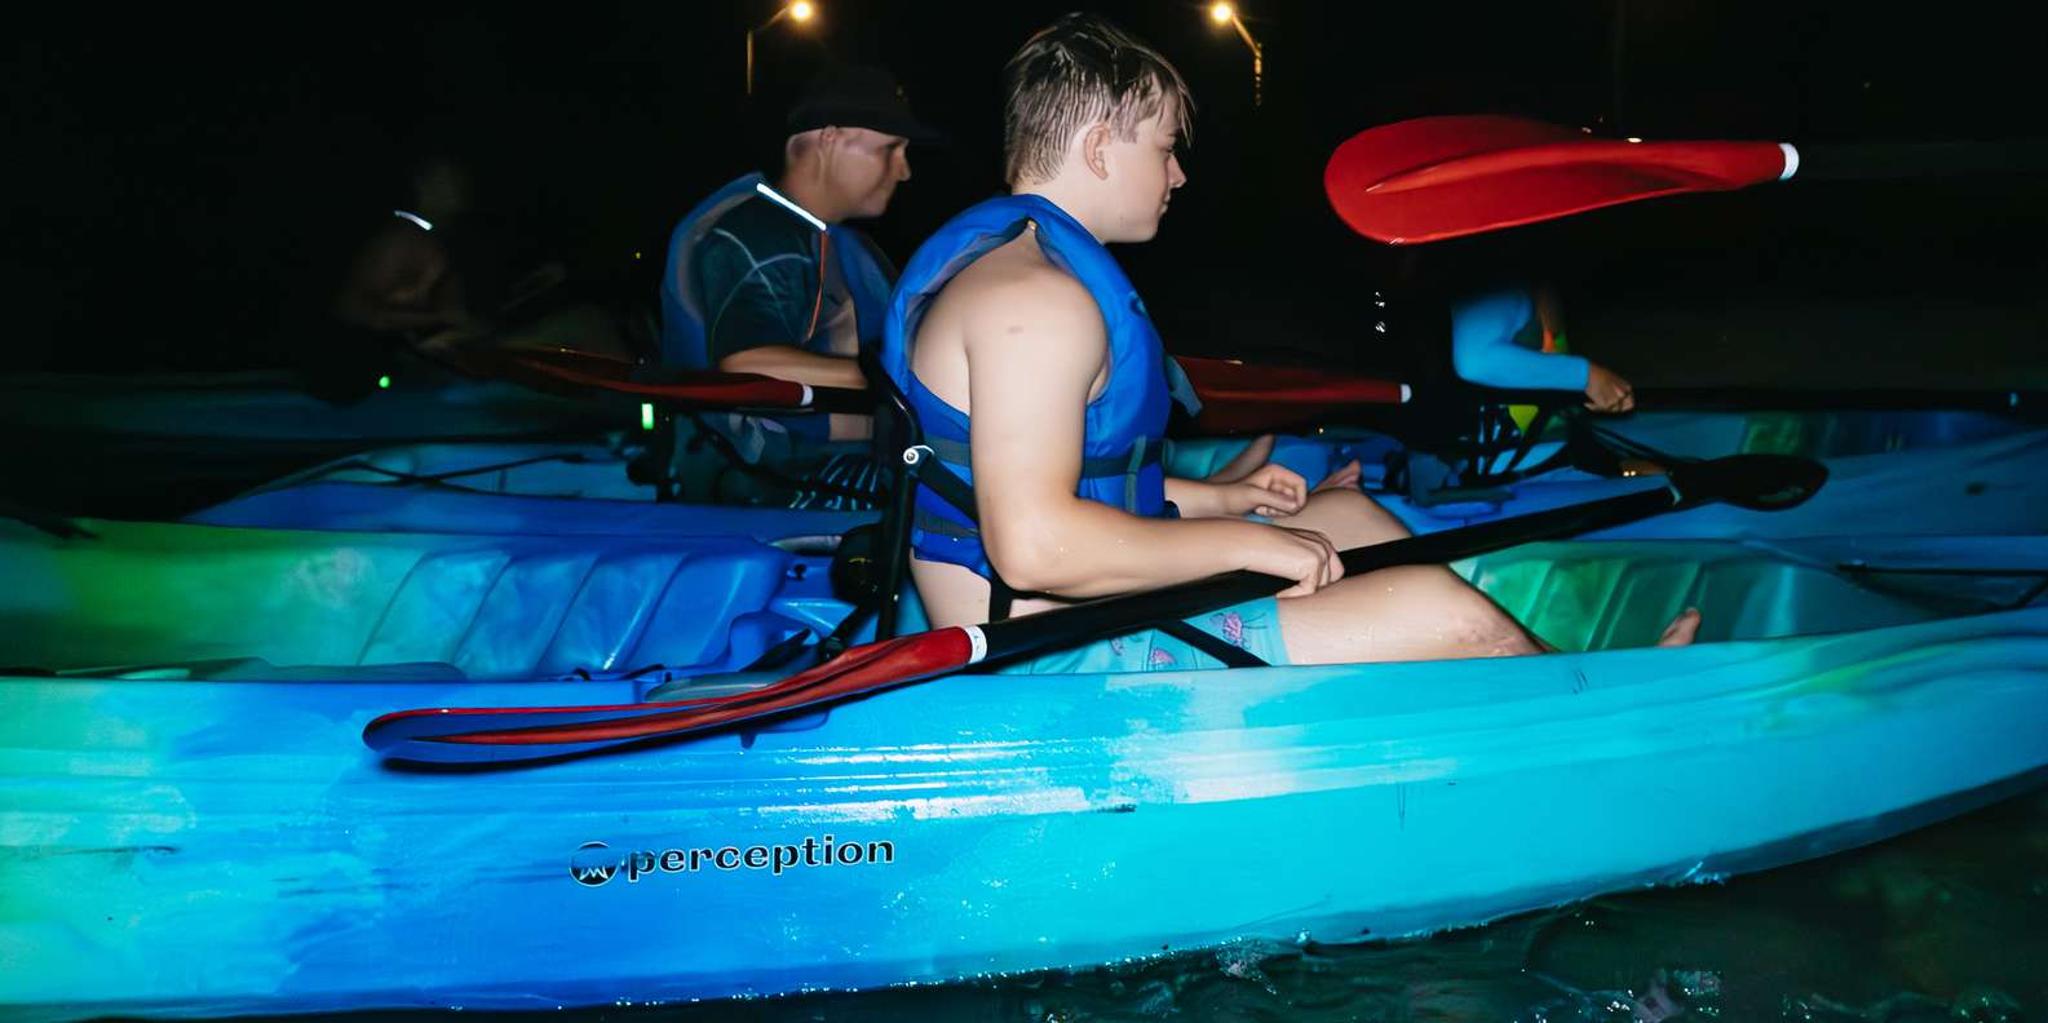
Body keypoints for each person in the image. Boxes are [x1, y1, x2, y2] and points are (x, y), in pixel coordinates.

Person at [878, 13, 1700, 674]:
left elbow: (1057, 482)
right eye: (1165, 149)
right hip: (1053, 655)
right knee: (1443, 615)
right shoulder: (1038, 303)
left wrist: (1231, 500)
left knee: (1345, 513)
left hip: (1078, 610)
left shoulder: (1029, 271)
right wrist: (1251, 540)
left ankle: (1553, 683)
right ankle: (1579, 700)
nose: (1177, 176)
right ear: (1098, 149)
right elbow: (1034, 547)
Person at [655, 64, 938, 507]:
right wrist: (922, 379)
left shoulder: (841, 244)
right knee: (962, 513)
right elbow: (750, 365)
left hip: (828, 467)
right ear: (829, 139)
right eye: (890, 148)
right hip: (767, 482)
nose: (904, 171)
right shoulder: (757, 232)